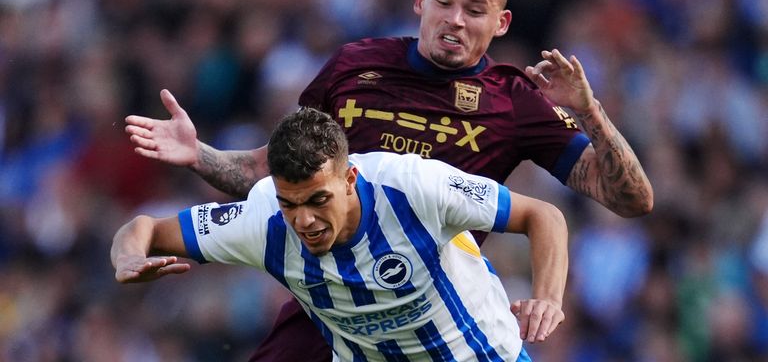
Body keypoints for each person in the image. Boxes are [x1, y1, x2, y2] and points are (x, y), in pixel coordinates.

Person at [124, 0, 653, 362]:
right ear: (422, 2)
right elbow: (274, 174)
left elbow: (629, 199)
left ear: (502, 22)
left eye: (475, 9)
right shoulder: (355, 64)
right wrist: (201, 155)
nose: (455, 20)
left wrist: (590, 111)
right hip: (330, 297)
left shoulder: (515, 101)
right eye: (444, 2)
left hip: (428, 299)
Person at [112, 107, 568, 361]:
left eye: (317, 201)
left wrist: (547, 297)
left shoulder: (414, 187)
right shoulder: (263, 220)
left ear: (350, 179)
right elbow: (144, 229)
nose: (303, 220)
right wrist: (128, 258)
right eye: (290, 203)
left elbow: (543, 215)